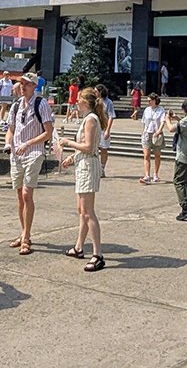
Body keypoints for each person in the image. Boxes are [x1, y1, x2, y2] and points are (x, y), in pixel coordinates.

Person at [57, 87, 106, 272]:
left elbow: (88, 146)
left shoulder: (91, 120)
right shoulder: (88, 119)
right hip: (83, 163)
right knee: (82, 210)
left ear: (85, 102)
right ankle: (79, 247)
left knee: (88, 212)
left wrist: (68, 142)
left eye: (79, 100)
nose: (76, 103)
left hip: (88, 165)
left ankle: (98, 254)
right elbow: (86, 147)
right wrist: (72, 156)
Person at [7, 75, 55, 255]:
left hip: (33, 152)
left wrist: (29, 143)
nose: (22, 86)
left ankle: (26, 237)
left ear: (34, 86)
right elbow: (11, 129)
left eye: (26, 84)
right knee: (20, 195)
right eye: (21, 83)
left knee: (27, 193)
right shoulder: (16, 105)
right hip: (17, 154)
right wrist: (7, 143)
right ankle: (23, 232)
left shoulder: (41, 104)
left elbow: (48, 133)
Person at [137, 92, 166, 184]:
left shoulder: (161, 110)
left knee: (157, 155)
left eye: (149, 101)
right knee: (146, 155)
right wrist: (144, 132)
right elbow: (144, 122)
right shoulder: (147, 110)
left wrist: (159, 131)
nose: (148, 102)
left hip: (157, 134)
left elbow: (162, 121)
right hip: (147, 133)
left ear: (154, 101)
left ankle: (155, 174)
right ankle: (147, 175)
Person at [98, 85, 116, 172]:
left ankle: (102, 168)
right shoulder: (94, 101)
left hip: (103, 128)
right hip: (95, 127)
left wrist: (107, 130)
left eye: (96, 91)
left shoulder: (108, 102)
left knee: (103, 148)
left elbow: (111, 116)